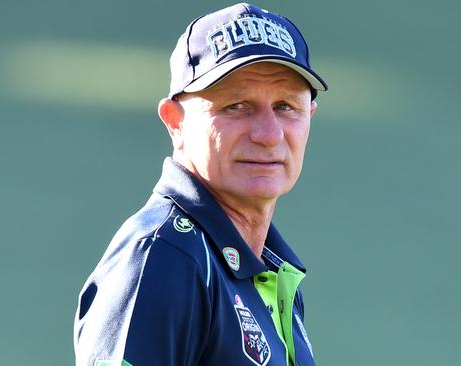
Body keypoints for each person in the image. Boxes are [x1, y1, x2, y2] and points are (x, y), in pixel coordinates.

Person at [73, 3, 328, 366]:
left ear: (310, 118)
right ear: (175, 121)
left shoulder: (269, 269)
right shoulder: (162, 257)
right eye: (237, 105)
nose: (270, 135)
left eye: (286, 107)